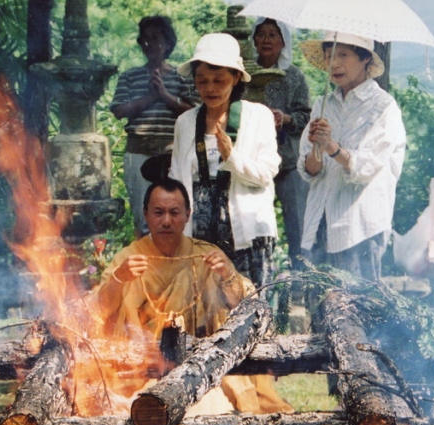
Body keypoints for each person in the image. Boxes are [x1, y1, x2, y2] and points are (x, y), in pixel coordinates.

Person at [93, 177, 293, 415]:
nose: (166, 221)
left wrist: (227, 275)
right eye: (158, 212)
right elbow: (99, 310)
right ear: (145, 214)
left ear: (188, 215)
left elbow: (245, 304)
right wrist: (119, 279)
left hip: (202, 361)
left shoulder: (205, 254)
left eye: (174, 212)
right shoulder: (128, 258)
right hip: (143, 364)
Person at [170, 33, 281, 290]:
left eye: (219, 80)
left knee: (250, 302)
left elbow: (266, 173)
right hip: (199, 230)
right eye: (202, 81)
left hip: (247, 228)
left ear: (236, 78)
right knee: (205, 305)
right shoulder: (186, 122)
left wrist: (231, 157)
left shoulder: (257, 117)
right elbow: (177, 178)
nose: (210, 88)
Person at [298, 32, 407, 281]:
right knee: (319, 307)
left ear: (365, 58)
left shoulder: (383, 107)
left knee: (358, 311)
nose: (334, 63)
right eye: (329, 56)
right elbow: (309, 170)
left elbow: (366, 167)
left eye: (343, 55)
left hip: (359, 227)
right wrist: (317, 147)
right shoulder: (323, 104)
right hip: (319, 221)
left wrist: (331, 147)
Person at [109, 16, 196, 238]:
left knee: (175, 214)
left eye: (155, 38)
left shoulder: (183, 76)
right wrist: (149, 97)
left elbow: (195, 111)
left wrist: (166, 96)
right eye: (144, 39)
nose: (149, 44)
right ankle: (146, 268)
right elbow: (118, 110)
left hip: (172, 154)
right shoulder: (130, 77)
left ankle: (174, 267)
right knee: (144, 214)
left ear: (168, 42)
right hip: (138, 152)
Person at [252, 17, 311, 274]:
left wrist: (284, 118)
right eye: (261, 34)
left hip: (287, 160)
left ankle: (302, 280)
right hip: (254, 161)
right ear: (253, 39)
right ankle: (260, 278)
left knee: (297, 223)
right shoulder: (246, 73)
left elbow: (305, 116)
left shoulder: (294, 76)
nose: (266, 40)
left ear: (283, 42)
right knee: (256, 223)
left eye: (272, 35)